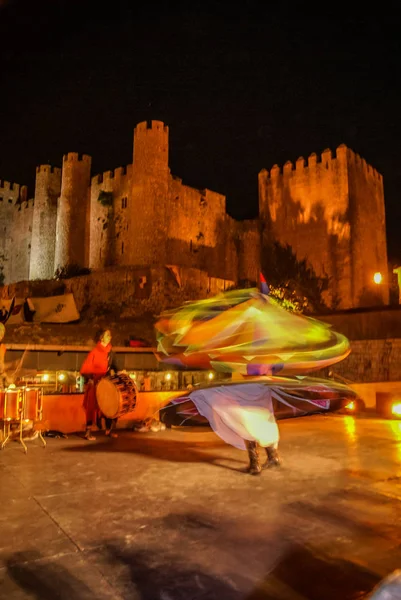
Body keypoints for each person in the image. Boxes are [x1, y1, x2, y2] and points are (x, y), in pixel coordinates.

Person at [80, 328, 121, 440]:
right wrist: (90, 379)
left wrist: (121, 372)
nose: (110, 337)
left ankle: (109, 430)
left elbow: (115, 366)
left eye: (110, 335)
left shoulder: (111, 352)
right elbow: (85, 369)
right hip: (94, 383)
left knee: (110, 406)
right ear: (101, 337)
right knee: (92, 408)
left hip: (105, 383)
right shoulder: (94, 352)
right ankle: (87, 433)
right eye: (108, 335)